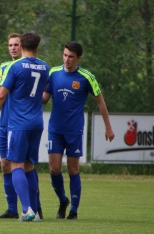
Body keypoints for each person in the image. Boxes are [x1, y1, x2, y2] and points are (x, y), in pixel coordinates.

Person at [0, 32, 50, 222]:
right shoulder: (45, 67)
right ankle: (34, 211)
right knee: (29, 166)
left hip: (18, 123)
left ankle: (26, 210)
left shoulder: (15, 67)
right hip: (37, 122)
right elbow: (44, 96)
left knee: (15, 165)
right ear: (36, 48)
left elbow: (1, 95)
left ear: (21, 47)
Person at [42, 41, 115, 220]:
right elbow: (44, 98)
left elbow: (101, 102)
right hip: (55, 129)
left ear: (78, 58)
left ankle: (74, 211)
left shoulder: (86, 77)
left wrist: (108, 127)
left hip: (74, 130)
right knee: (54, 169)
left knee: (73, 169)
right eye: (65, 55)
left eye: (71, 56)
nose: (67, 59)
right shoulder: (53, 73)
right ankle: (63, 200)